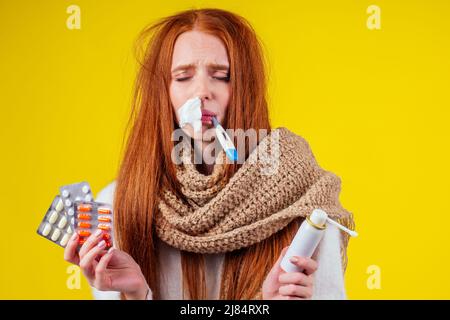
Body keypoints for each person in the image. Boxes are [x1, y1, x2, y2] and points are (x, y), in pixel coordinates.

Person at [64, 8, 355, 300]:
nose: (202, 91)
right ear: (162, 93)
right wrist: (138, 295)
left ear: (247, 88)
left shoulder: (306, 205)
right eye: (183, 77)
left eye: (222, 76)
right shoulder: (117, 207)